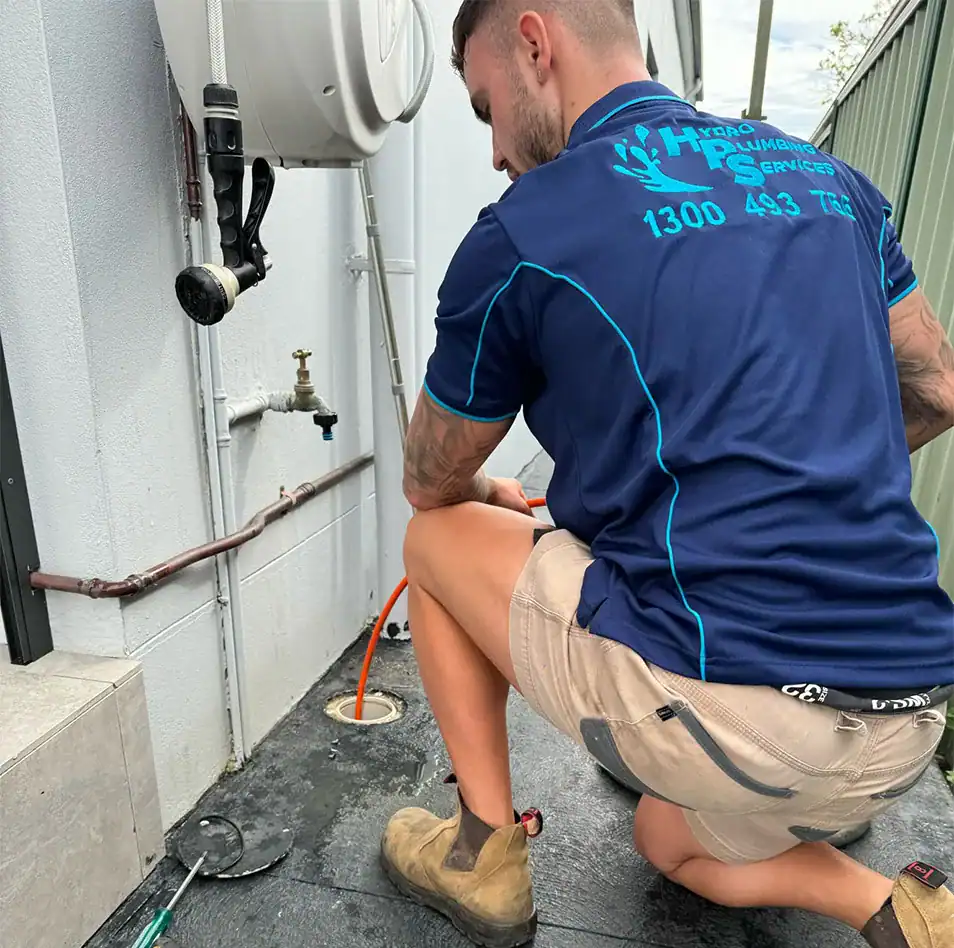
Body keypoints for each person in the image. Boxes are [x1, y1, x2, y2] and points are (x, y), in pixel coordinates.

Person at [378, 2, 954, 946]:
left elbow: (432, 480)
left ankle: (478, 852)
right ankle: (887, 904)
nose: (490, 150)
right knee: (664, 837)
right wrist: (808, 474)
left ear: (533, 42)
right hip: (908, 716)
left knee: (432, 542)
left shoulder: (526, 230)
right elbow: (934, 386)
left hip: (736, 717)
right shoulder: (829, 183)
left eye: (485, 107)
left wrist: (477, 495)